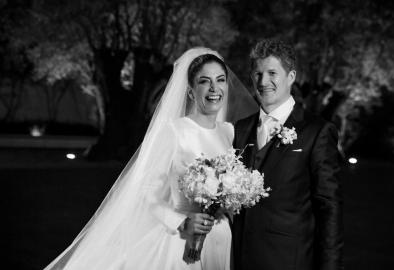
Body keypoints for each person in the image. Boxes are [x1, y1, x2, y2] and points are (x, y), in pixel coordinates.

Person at [44, 48, 257, 270]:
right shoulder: (174, 132)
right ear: (192, 92)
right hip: (183, 243)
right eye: (205, 81)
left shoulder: (229, 132)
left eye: (220, 80)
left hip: (221, 240)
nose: (214, 88)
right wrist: (182, 222)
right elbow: (147, 193)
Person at [232, 39, 344, 270]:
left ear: (291, 76)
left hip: (289, 260)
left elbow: (328, 208)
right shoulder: (240, 129)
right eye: (257, 73)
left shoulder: (317, 131)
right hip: (238, 258)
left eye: (272, 72)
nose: (263, 82)